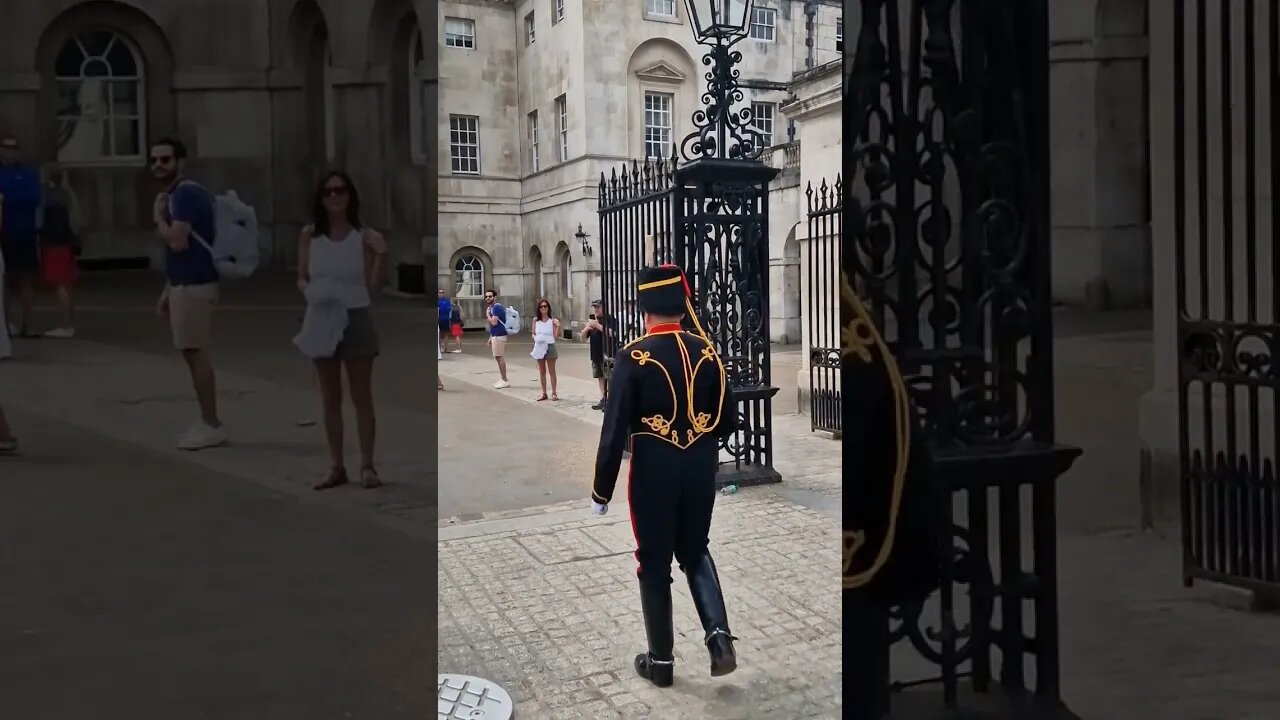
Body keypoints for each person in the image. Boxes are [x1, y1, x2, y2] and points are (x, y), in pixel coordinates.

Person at [590, 264, 739, 688]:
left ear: (645, 310)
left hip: (654, 473)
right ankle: (719, 641)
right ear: (680, 305)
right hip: (698, 470)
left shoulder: (632, 356)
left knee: (653, 562)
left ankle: (661, 663)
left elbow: (614, 429)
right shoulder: (707, 351)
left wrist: (601, 490)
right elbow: (727, 421)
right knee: (695, 550)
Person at [295, 170, 387, 490]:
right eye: (329, 192)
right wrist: (309, 292)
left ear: (351, 196)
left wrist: (381, 255)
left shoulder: (362, 235)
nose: (335, 196)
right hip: (321, 316)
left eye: (341, 190)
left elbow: (372, 286)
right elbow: (301, 275)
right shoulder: (310, 235)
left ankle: (367, 465)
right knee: (329, 395)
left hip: (356, 314)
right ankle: (336, 465)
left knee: (361, 394)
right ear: (320, 198)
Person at [150, 136, 226, 451]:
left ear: (180, 161)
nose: (158, 166)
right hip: (185, 282)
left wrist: (158, 217)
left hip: (194, 284)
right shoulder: (182, 194)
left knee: (195, 353)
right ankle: (207, 420)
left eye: (165, 160)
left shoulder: (183, 195)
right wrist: (168, 288)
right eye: (154, 160)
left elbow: (178, 242)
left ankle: (211, 422)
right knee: (191, 352)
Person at [0, 133, 42, 338]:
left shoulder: (28, 174)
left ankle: (29, 323)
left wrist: (8, 198)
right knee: (4, 280)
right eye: (6, 148)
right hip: (3, 233)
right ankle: (5, 324)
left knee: (27, 280)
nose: (10, 152)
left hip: (24, 233)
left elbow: (33, 198)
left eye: (13, 148)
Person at [36, 164, 83, 338]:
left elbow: (39, 220)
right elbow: (77, 219)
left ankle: (65, 325)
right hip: (68, 243)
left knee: (60, 284)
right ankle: (68, 323)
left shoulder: (48, 196)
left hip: (54, 243)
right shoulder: (67, 195)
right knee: (68, 283)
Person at [581, 299, 614, 410]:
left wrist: (598, 326)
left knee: (608, 377)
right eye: (594, 307)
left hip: (607, 354)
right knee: (599, 377)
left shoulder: (609, 319)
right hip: (595, 354)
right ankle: (603, 398)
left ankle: (610, 400)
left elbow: (612, 333)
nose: (596, 309)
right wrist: (587, 328)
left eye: (598, 307)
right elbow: (583, 336)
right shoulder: (593, 320)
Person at [530, 298, 560, 401]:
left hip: (550, 345)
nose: (543, 308)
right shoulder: (535, 320)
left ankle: (554, 393)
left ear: (548, 308)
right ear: (539, 308)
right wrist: (535, 337)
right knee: (542, 370)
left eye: (545, 306)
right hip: (539, 345)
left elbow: (555, 336)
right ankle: (543, 393)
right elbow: (533, 332)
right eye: (541, 306)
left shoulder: (552, 320)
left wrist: (558, 326)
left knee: (552, 370)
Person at [484, 288, 510, 389]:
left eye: (490, 296)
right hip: (495, 335)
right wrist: (490, 337)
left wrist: (487, 315)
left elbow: (494, 322)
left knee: (500, 357)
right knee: (497, 357)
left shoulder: (496, 307)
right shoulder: (493, 307)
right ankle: (502, 378)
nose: (487, 298)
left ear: (494, 297)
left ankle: (505, 380)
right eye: (486, 297)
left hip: (499, 335)